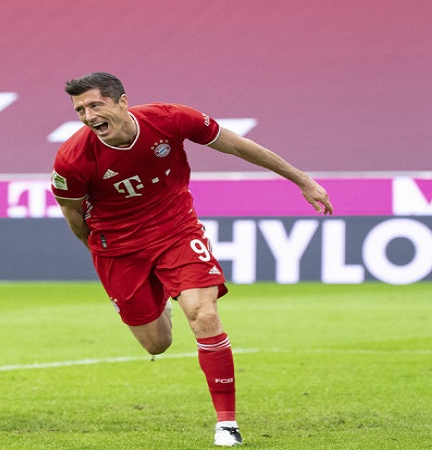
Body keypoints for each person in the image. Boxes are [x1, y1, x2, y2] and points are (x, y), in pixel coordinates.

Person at [50, 72, 333, 447]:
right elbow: (73, 214)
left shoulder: (169, 119)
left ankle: (227, 424)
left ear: (122, 101)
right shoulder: (72, 158)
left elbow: (237, 145)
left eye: (95, 105)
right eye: (80, 110)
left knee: (204, 314)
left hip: (176, 231)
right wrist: (101, 253)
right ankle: (160, 302)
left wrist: (301, 180)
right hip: (118, 247)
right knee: (156, 344)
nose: (88, 116)